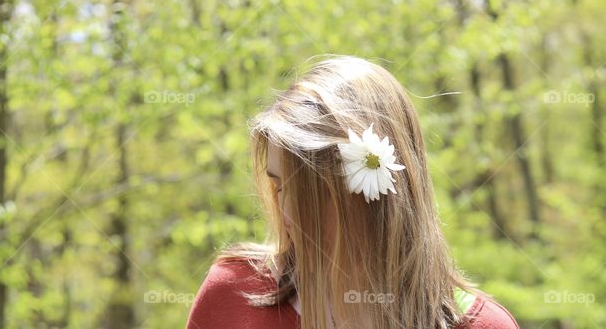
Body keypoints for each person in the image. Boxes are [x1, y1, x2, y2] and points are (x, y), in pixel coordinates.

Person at [186, 56, 520, 328]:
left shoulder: (482, 325)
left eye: (309, 193)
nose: (286, 209)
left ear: (374, 189)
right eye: (279, 185)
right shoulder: (232, 294)